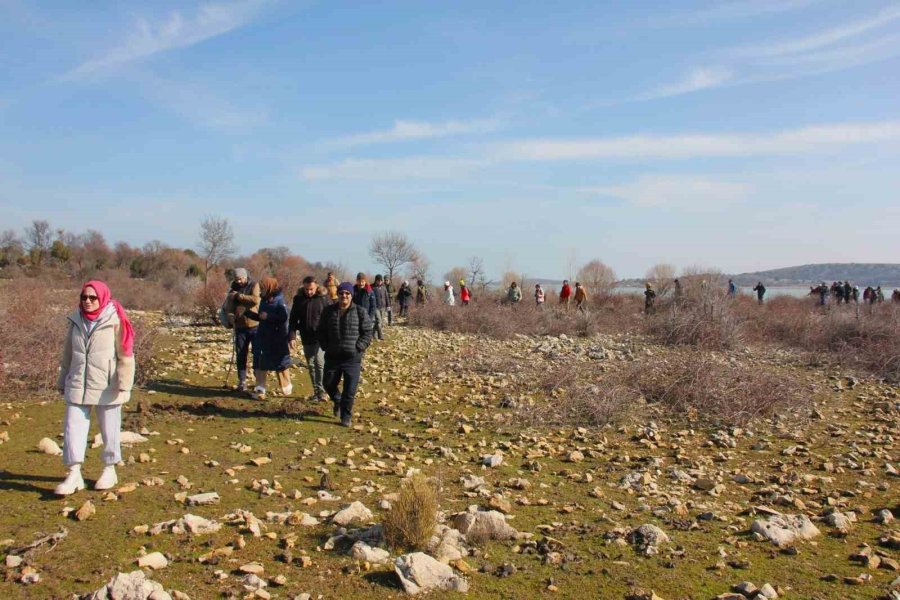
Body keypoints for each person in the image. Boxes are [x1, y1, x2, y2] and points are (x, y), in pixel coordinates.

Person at [55, 280, 135, 495]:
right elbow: (68, 355)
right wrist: (62, 380)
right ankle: (74, 473)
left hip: (107, 385)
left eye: (93, 297)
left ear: (103, 297)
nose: (88, 301)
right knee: (73, 427)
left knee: (110, 429)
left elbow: (125, 354)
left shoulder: (114, 320)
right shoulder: (75, 320)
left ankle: (109, 468)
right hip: (77, 383)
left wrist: (124, 384)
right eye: (84, 297)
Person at [318, 282, 374, 427]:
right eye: (342, 293)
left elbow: (368, 332)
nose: (344, 296)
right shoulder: (328, 311)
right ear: (337, 294)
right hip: (332, 356)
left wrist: (359, 347)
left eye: (347, 293)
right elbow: (321, 330)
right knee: (328, 384)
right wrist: (325, 346)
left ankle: (346, 417)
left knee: (349, 391)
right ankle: (337, 400)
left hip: (352, 358)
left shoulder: (360, 311)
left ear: (351, 295)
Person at [246, 277, 292, 400]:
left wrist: (269, 317)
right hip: (263, 335)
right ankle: (260, 390)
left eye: (263, 287)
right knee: (261, 363)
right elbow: (261, 317)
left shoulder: (279, 300)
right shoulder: (264, 300)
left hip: (277, 337)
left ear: (269, 287)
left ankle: (286, 386)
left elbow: (283, 318)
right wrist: (247, 313)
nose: (261, 290)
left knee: (280, 364)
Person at [289, 276, 329, 402]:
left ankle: (323, 391)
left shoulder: (323, 299)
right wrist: (292, 336)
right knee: (311, 364)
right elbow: (293, 319)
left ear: (316, 286)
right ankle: (316, 391)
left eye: (311, 289)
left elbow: (330, 318)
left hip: (321, 337)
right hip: (306, 336)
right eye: (306, 289)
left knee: (319, 362)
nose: (309, 292)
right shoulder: (299, 299)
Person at [225, 268, 261, 393]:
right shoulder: (232, 289)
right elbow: (229, 306)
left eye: (240, 279)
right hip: (239, 326)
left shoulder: (254, 285)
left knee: (257, 354)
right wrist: (230, 316)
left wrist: (239, 296)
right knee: (241, 355)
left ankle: (259, 383)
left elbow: (255, 300)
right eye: (236, 279)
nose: (238, 281)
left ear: (245, 277)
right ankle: (242, 381)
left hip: (255, 325)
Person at [372, 274, 389, 341]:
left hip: (383, 307)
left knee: (380, 322)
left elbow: (386, 297)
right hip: (376, 307)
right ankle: (380, 335)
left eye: (381, 280)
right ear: (376, 281)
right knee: (378, 321)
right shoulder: (372, 287)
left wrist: (388, 305)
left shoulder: (384, 287)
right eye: (378, 280)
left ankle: (373, 333)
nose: (379, 282)